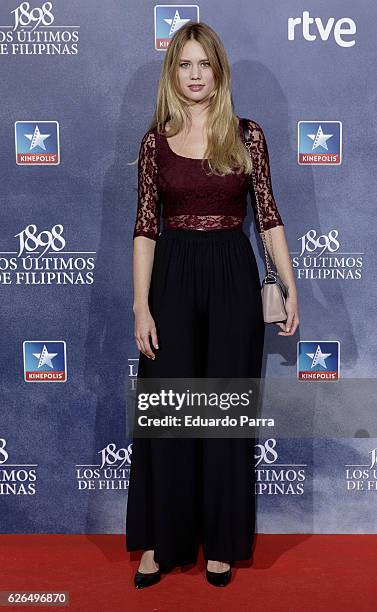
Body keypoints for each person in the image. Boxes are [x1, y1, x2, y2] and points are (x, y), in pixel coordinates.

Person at [126, 21, 299, 589]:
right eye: (185, 65)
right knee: (169, 413)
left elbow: (268, 214)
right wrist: (139, 307)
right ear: (172, 72)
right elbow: (145, 229)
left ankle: (221, 543)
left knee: (224, 414)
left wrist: (291, 283)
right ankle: (160, 542)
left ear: (219, 70)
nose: (196, 75)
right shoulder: (156, 141)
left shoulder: (248, 135)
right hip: (171, 276)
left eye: (204, 64)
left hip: (231, 273)